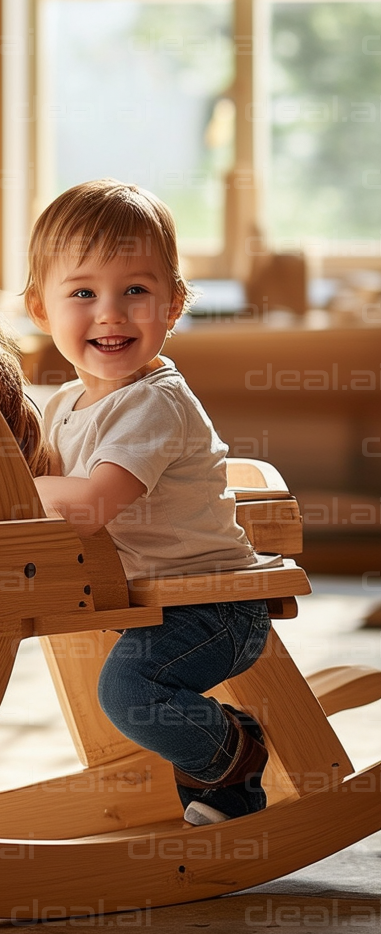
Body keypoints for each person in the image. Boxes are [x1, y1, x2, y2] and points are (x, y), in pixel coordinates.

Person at [23, 179, 274, 825]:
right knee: (124, 684)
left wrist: (23, 490)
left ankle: (233, 748)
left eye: (135, 290)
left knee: (129, 689)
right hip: (155, 601)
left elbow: (88, 506)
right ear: (38, 308)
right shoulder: (61, 405)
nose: (110, 313)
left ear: (174, 305)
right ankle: (229, 798)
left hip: (214, 604)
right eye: (83, 292)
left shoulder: (154, 403)